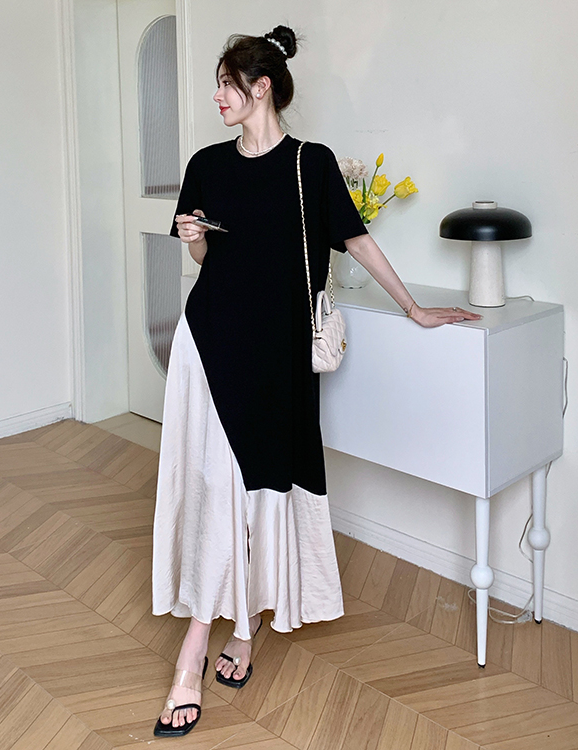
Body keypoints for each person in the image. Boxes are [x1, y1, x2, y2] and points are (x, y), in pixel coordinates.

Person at [151, 24, 482, 738]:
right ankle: (192, 654)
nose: (217, 97)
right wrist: (194, 239)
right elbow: (207, 262)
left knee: (262, 489)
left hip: (277, 358)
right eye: (218, 86)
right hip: (210, 345)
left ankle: (245, 629)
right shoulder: (207, 164)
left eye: (226, 85)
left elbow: (355, 239)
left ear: (261, 87)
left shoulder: (311, 164)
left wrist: (414, 308)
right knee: (215, 488)